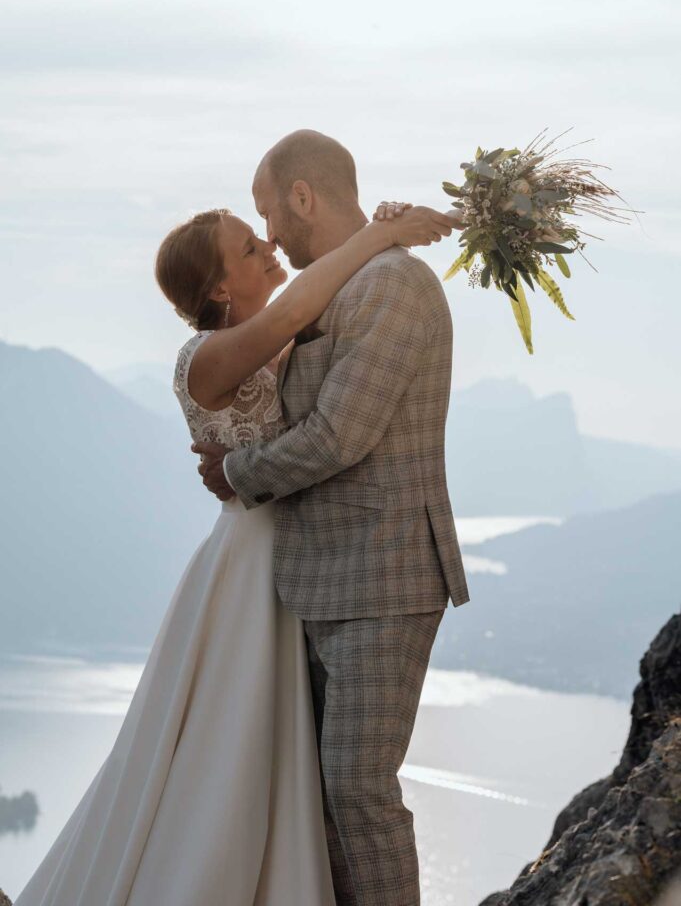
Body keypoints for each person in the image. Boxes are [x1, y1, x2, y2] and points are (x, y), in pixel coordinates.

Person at [13, 184, 454, 906]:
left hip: (304, 557)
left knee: (292, 763)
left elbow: (308, 318)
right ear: (219, 286)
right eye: (251, 248)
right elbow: (293, 310)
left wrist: (379, 234)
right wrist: (381, 235)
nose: (270, 248)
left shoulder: (281, 333)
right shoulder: (204, 358)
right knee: (233, 745)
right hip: (253, 560)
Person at [195, 129, 471, 906]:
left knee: (357, 790)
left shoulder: (394, 287)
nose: (270, 236)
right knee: (319, 802)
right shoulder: (344, 283)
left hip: (385, 577)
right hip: (320, 582)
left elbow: (340, 435)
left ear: (302, 196)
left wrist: (235, 471)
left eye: (267, 214)